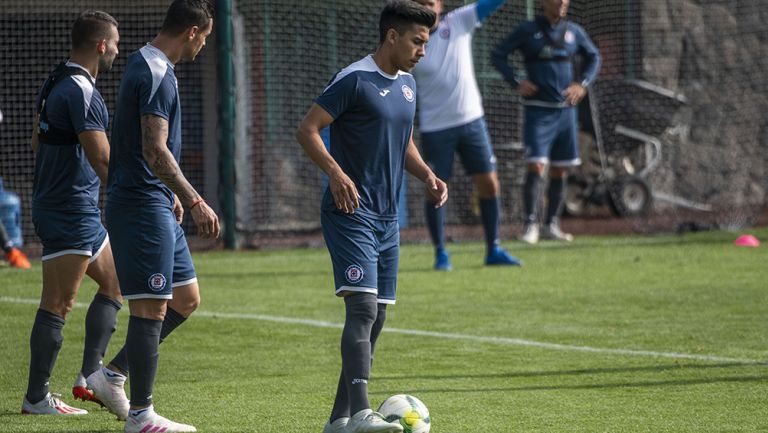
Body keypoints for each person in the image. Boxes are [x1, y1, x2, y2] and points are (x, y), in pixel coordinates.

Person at [296, 2, 445, 432]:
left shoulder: (409, 86)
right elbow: (307, 129)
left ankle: (339, 421)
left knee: (377, 316)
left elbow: (402, 141)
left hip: (387, 218)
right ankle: (362, 413)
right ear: (392, 37)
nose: (422, 51)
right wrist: (335, 172)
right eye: (417, 41)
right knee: (361, 309)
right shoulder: (354, 79)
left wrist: (427, 174)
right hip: (350, 212)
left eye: (426, 42)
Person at [105, 0, 219, 431]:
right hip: (140, 205)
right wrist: (193, 199)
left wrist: (171, 192)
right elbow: (154, 149)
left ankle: (111, 374)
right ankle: (141, 415)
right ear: (191, 31)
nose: (204, 47)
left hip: (155, 200)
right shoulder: (154, 73)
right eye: (205, 38)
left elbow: (143, 148)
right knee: (150, 309)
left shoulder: (150, 65)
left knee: (186, 300)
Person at [22, 11, 122, 417]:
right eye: (115, 42)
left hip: (77, 209)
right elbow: (102, 158)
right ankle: (36, 398)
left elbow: (34, 142)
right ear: (101, 45)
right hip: (69, 212)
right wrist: (139, 194)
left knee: (115, 285)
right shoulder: (81, 90)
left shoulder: (56, 79)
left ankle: (88, 378)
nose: (118, 49)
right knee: (58, 305)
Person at [411, 0, 521, 270]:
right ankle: (440, 253)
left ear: (440, 5)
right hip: (435, 128)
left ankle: (493, 248)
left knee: (490, 184)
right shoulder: (410, 40)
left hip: (472, 121)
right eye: (421, 3)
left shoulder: (458, 21)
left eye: (431, 2)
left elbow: (490, 4)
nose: (428, 7)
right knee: (435, 189)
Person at [491, 0, 601, 244]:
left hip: (566, 113)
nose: (561, 2)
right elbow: (498, 55)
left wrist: (581, 85)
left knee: (561, 168)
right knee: (537, 166)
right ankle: (530, 224)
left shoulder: (575, 32)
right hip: (538, 112)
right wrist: (517, 80)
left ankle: (551, 224)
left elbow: (594, 57)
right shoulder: (528, 30)